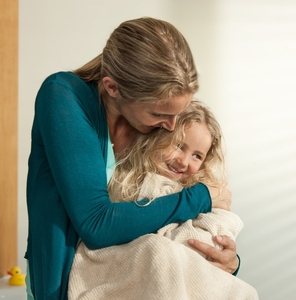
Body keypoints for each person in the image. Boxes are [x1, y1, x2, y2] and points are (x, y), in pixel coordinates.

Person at [25, 17, 238, 300]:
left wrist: (224, 260)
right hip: (66, 286)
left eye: (178, 113)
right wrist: (201, 197)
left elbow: (170, 216)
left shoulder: (152, 128)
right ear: (112, 88)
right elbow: (97, 224)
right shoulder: (63, 96)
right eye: (159, 113)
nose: (172, 126)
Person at [68, 100, 258, 300]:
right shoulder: (126, 181)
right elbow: (116, 233)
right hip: (123, 273)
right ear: (157, 136)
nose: (183, 161)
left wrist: (231, 261)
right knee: (159, 250)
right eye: (178, 145)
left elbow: (211, 239)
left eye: (196, 156)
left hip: (179, 274)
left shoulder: (206, 192)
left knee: (245, 292)